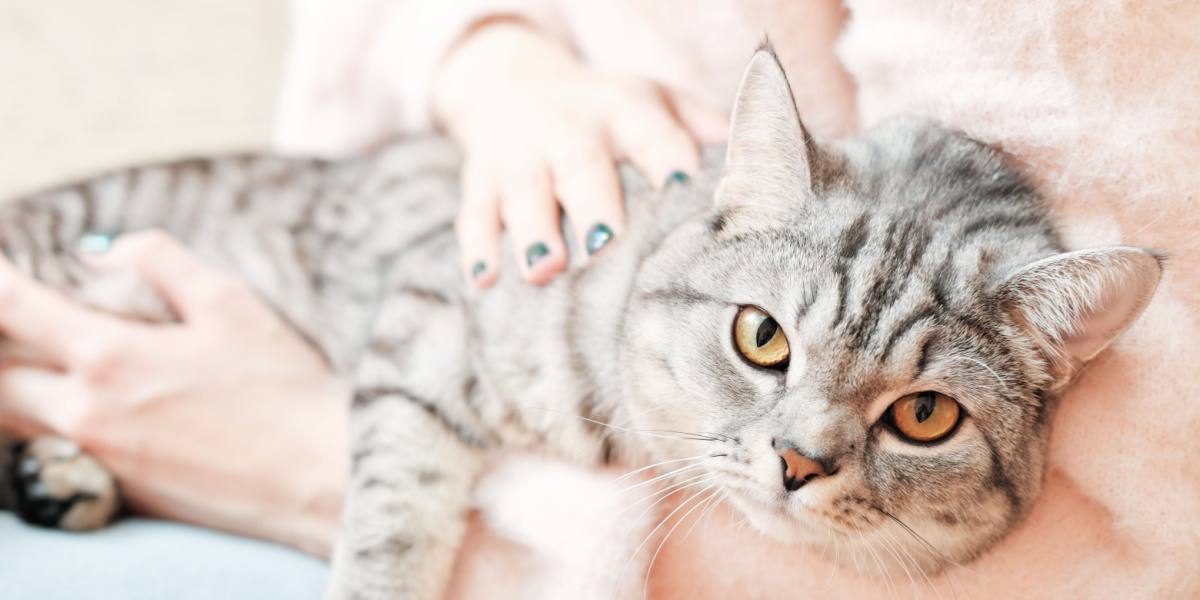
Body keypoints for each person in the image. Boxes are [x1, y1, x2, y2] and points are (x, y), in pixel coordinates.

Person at [2, 1, 1196, 598]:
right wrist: (483, 51)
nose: (803, 456)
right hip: (184, 267)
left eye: (921, 414)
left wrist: (308, 466)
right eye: (767, 342)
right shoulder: (723, 246)